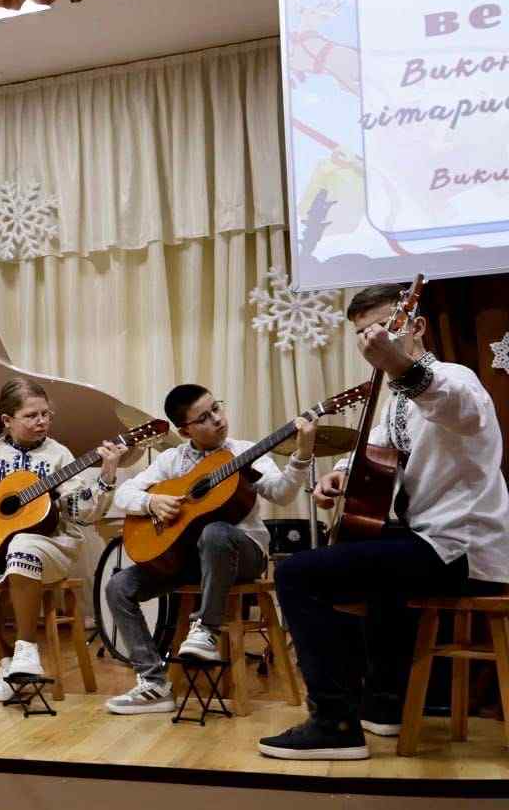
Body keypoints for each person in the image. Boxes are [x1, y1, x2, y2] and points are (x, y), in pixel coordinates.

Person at [259, 283, 509, 760]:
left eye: (383, 326)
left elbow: (459, 408)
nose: (371, 338)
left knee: (296, 574)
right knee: (370, 560)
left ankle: (333, 721)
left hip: (463, 546)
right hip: (428, 541)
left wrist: (400, 366)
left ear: (417, 326)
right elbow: (373, 449)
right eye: (362, 332)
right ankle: (384, 702)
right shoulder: (395, 402)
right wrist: (337, 473)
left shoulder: (453, 378)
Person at [103, 386, 314, 715]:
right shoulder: (173, 460)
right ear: (185, 431)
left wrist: (302, 455)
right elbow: (124, 493)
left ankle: (207, 629)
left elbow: (282, 494)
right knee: (118, 586)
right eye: (203, 418)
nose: (217, 419)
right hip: (188, 560)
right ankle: (153, 683)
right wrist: (151, 502)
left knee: (216, 532)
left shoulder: (245, 452)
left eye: (216, 408)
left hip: (243, 554)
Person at [0, 378, 122, 702]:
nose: (42, 421)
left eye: (46, 414)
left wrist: (107, 475)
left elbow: (81, 513)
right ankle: (6, 661)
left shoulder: (59, 455)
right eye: (31, 415)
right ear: (7, 420)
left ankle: (27, 650)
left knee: (22, 546)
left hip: (51, 546)